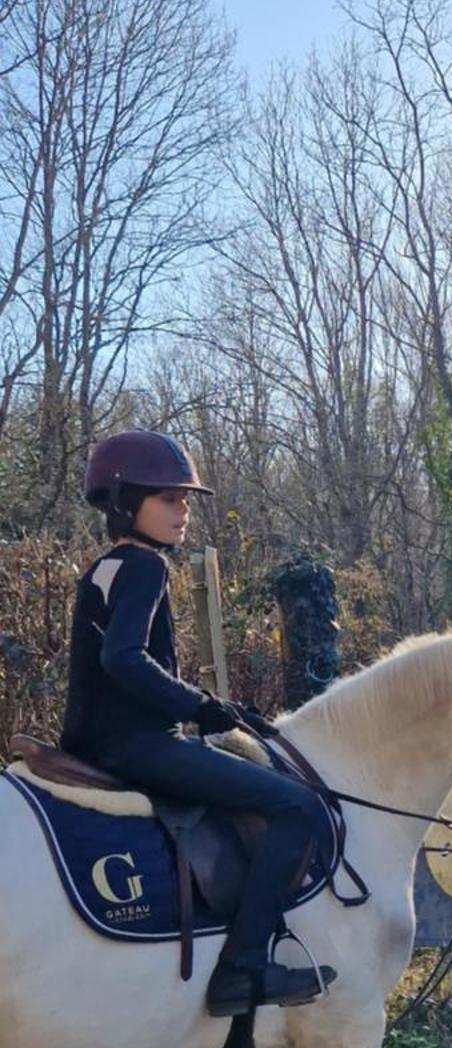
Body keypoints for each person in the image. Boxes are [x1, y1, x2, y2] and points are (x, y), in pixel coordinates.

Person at [60, 431, 336, 1015]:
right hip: (137, 746)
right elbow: (123, 659)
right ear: (124, 503)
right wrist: (198, 707)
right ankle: (243, 970)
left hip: (93, 741)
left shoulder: (101, 570)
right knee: (297, 808)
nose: (184, 510)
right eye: (169, 499)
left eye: (186, 499)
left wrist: (202, 705)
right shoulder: (144, 567)